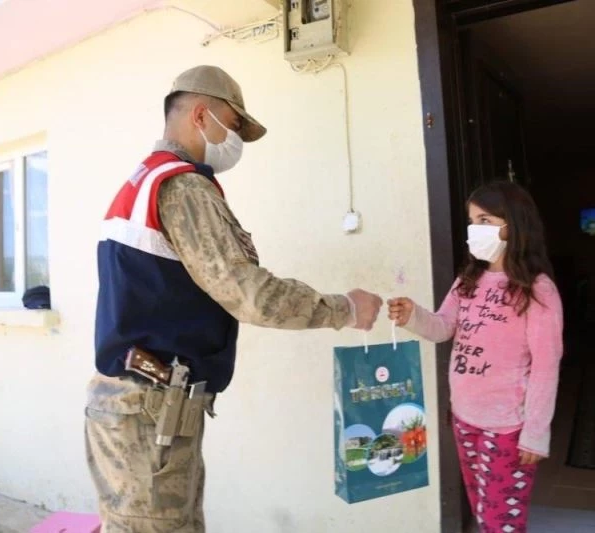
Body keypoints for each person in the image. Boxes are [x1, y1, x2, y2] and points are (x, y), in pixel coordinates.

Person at [85, 65, 383, 533]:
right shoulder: (182, 186)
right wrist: (345, 308)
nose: (238, 137)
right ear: (201, 115)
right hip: (149, 410)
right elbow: (250, 295)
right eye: (234, 123)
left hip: (133, 404)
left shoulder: (142, 180)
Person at [388, 181, 563, 533]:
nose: (475, 229)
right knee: (482, 510)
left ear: (513, 224)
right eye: (472, 220)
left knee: (502, 521)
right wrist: (412, 316)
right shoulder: (469, 279)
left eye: (485, 219)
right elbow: (442, 327)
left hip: (508, 427)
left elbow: (546, 365)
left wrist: (535, 433)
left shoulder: (536, 289)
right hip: (465, 418)